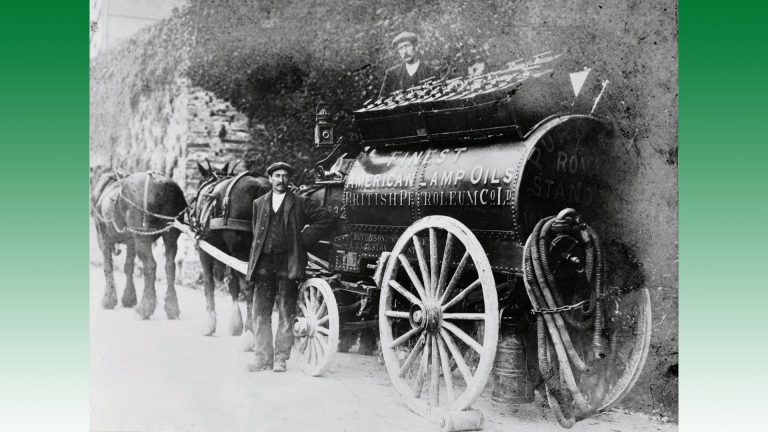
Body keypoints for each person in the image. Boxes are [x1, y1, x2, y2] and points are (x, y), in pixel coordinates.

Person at [246, 162, 333, 372]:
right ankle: (262, 358)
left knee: (286, 313)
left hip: (288, 263)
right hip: (264, 264)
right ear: (270, 179)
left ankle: (280, 359)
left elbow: (326, 219)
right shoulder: (259, 203)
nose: (281, 180)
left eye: (285, 176)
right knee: (260, 313)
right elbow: (256, 233)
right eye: (277, 176)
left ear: (289, 179)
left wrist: (303, 240)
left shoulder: (300, 202)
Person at [379, 31, 439, 98]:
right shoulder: (391, 74)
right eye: (400, 48)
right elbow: (382, 100)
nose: (404, 51)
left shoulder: (430, 71)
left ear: (415, 47)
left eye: (407, 46)